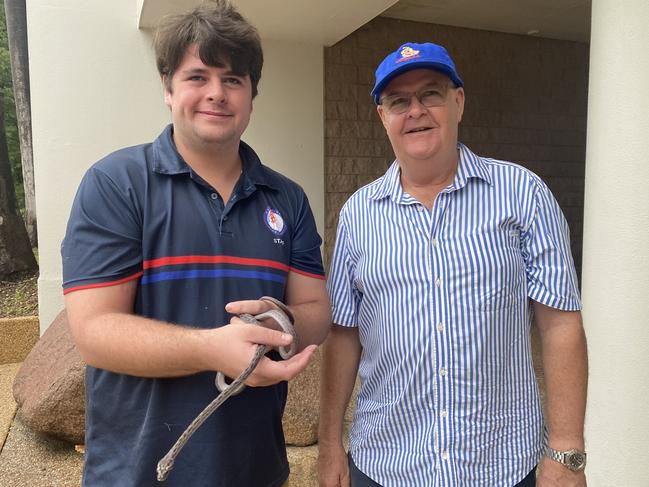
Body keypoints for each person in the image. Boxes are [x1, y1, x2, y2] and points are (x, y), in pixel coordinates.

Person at [61, 2, 331, 486]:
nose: (216, 94)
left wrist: (280, 319)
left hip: (256, 470)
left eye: (232, 80)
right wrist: (213, 349)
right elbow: (94, 331)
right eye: (197, 76)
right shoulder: (116, 184)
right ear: (168, 88)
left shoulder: (287, 199)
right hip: (137, 472)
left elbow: (315, 308)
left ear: (251, 94)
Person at [318, 42, 587, 487]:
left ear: (458, 101)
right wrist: (330, 444)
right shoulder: (357, 214)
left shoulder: (523, 195)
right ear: (382, 116)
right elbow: (343, 335)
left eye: (431, 94)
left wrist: (566, 452)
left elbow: (560, 325)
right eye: (398, 101)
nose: (415, 110)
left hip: (500, 465)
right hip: (386, 464)